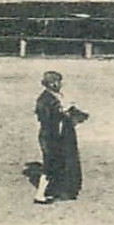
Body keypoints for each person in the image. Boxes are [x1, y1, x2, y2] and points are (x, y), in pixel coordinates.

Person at [33, 71, 86, 204]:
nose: (60, 84)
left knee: (56, 162)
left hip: (56, 134)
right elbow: (47, 119)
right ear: (51, 83)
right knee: (50, 164)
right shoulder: (45, 100)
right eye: (58, 81)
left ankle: (54, 191)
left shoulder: (53, 97)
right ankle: (40, 194)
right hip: (50, 136)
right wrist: (63, 112)